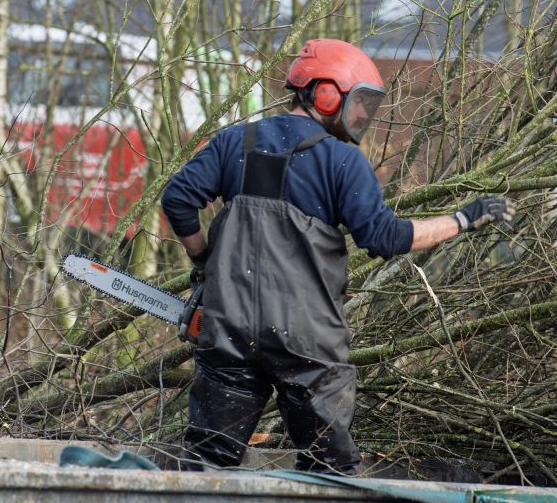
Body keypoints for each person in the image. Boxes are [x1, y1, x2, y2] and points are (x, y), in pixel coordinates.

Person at [160, 38, 514, 474]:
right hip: (304, 341)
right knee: (329, 471)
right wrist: (462, 219)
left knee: (206, 463)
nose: (362, 113)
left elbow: (178, 198)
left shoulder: (236, 140)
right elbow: (386, 237)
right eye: (357, 100)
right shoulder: (341, 161)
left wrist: (205, 262)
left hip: (229, 329)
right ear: (325, 94)